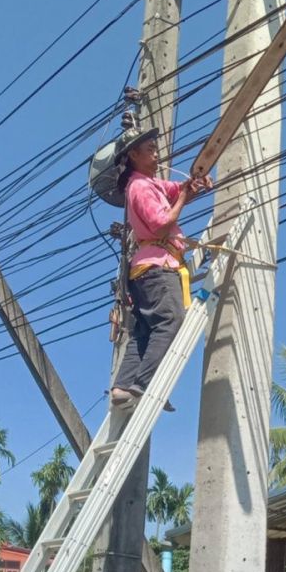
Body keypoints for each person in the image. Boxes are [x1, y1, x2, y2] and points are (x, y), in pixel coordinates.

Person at [109, 127, 212, 411]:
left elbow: (178, 191)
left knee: (144, 331)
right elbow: (162, 223)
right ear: (133, 155)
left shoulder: (149, 183)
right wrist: (180, 200)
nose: (156, 154)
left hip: (144, 270)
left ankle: (122, 388)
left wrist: (192, 186)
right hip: (157, 267)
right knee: (171, 320)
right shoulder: (139, 187)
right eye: (150, 149)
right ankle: (145, 385)